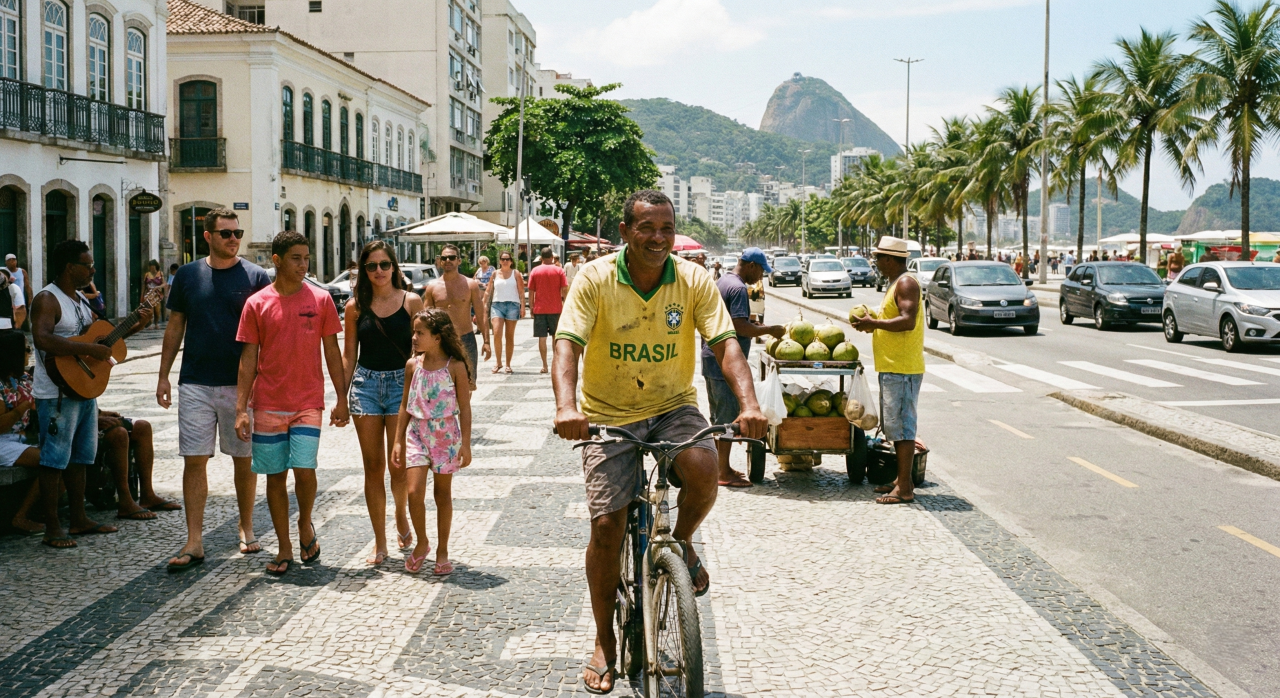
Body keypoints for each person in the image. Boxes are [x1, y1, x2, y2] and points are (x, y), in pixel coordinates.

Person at [552, 190, 767, 694]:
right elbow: (568, 343)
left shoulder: (693, 279)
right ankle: (604, 640)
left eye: (666, 228)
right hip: (608, 412)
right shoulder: (595, 278)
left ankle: (683, 541)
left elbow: (724, 343)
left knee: (703, 466)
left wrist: (749, 404)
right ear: (625, 231)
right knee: (608, 525)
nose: (658, 238)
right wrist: (566, 406)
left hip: (672, 405)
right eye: (647, 228)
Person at [160, 208, 271, 571]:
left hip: (240, 385)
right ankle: (194, 540)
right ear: (207, 236)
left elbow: (267, 333)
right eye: (225, 233)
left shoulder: (255, 276)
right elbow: (175, 327)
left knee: (244, 459)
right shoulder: (189, 276)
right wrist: (163, 375)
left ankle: (246, 525)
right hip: (195, 381)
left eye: (237, 232)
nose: (233, 238)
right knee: (194, 459)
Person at [234, 230, 348, 576]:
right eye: (296, 258)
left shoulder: (321, 300)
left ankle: (306, 522)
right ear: (277, 261)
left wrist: (342, 398)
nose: (303, 265)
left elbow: (332, 352)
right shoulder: (257, 304)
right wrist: (241, 409)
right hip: (267, 403)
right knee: (274, 476)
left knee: (305, 470)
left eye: (306, 258)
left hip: (307, 402)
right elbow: (248, 359)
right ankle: (284, 546)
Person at [32, 240, 150, 548]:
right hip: (56, 392)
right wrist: (87, 349)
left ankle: (80, 519)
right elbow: (42, 339)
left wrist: (136, 326)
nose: (93, 270)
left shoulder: (81, 301)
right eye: (88, 265)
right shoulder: (47, 298)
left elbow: (105, 341)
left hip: (83, 389)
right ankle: (53, 527)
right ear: (70, 267)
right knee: (54, 459)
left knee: (81, 457)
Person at [343, 241, 423, 565]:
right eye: (372, 266)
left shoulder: (411, 302)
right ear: (364, 270)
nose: (379, 271)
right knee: (373, 467)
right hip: (365, 385)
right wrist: (339, 395)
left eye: (384, 265)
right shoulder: (355, 307)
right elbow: (349, 354)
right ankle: (380, 542)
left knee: (398, 465)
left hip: (401, 386)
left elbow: (426, 344)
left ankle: (401, 514)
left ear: (394, 267)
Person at [392, 308, 471, 575]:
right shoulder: (412, 365)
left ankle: (442, 550)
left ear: (438, 337)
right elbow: (404, 405)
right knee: (413, 492)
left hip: (445, 437)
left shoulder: (456, 367)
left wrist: (466, 443)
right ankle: (422, 541)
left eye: (420, 333)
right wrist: (398, 440)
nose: (413, 337)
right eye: (414, 332)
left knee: (442, 494)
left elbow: (465, 407)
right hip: (417, 433)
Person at [850, 236, 924, 506]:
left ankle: (904, 489)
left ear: (891, 259)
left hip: (902, 367)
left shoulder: (905, 282)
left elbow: (907, 320)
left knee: (902, 430)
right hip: (893, 365)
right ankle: (901, 480)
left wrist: (876, 323)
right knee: (894, 426)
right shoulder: (896, 283)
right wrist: (874, 323)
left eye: (880, 258)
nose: (877, 262)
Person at [703, 248, 785, 488]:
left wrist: (753, 324)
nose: (760, 276)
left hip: (711, 356)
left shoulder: (723, 280)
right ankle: (722, 473)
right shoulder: (739, 288)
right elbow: (739, 327)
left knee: (718, 416)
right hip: (724, 361)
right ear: (751, 265)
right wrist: (770, 330)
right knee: (726, 418)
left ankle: (721, 466)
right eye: (760, 270)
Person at [423, 244, 491, 390]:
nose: (448, 260)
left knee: (468, 385)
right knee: (440, 385)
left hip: (465, 338)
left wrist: (486, 342)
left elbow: (481, 314)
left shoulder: (470, 285)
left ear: (459, 261)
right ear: (440, 261)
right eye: (444, 258)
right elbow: (424, 319)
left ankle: (463, 413)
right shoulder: (432, 287)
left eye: (452, 257)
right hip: (440, 341)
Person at [98, 410, 180, 520]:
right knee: (119, 434)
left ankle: (148, 495)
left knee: (142, 427)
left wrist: (99, 412)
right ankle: (125, 501)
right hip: (75, 421)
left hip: (88, 414)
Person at [0, 331, 42, 534]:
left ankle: (41, 511)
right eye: (26, 350)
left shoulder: (23, 377)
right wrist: (23, 407)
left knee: (65, 455)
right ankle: (21, 517)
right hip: (2, 441)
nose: (29, 353)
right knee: (52, 460)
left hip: (22, 437)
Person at [527, 247, 568, 374]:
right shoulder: (559, 270)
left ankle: (544, 365)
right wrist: (565, 303)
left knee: (542, 338)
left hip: (540, 309)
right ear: (552, 257)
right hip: (556, 308)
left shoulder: (535, 271)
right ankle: (556, 363)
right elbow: (564, 289)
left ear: (541, 258)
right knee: (556, 337)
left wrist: (532, 307)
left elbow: (531, 291)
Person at [483, 251, 524, 375]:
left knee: (509, 336)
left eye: (507, 259)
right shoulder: (495, 274)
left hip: (513, 305)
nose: (505, 261)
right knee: (496, 333)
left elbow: (521, 291)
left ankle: (508, 364)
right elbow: (488, 290)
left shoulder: (516, 274)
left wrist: (522, 307)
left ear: (511, 261)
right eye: (503, 259)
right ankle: (498, 362)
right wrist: (483, 303)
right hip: (497, 305)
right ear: (500, 261)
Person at [142, 260, 167, 327]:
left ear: (156, 266)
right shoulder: (147, 274)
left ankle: (156, 323)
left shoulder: (160, 274)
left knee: (157, 311)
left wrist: (158, 287)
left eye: (152, 267)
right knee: (150, 310)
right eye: (150, 267)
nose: (151, 269)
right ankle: (150, 324)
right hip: (149, 294)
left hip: (157, 294)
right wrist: (142, 295)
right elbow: (144, 285)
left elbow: (164, 283)